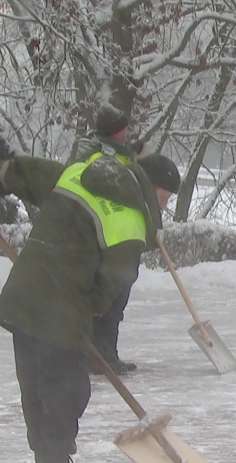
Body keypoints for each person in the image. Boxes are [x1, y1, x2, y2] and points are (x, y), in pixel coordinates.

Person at [0, 149, 181, 463]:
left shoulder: (77, 174)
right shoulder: (131, 219)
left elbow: (17, 170)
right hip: (61, 310)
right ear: (150, 187)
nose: (165, 207)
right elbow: (111, 286)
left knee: (36, 391)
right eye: (165, 198)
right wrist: (85, 313)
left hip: (23, 298)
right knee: (67, 392)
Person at [69, 103, 159, 375]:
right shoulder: (96, 155)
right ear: (116, 132)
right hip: (106, 238)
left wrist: (134, 155)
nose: (128, 132)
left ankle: (105, 353)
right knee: (108, 301)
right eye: (124, 129)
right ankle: (99, 356)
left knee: (115, 301)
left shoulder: (110, 152)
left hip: (119, 236)